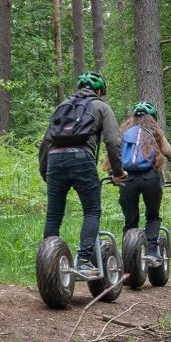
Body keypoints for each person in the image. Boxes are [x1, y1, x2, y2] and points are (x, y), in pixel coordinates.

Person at [39, 72, 127, 271]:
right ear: (98, 91)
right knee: (91, 210)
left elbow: (46, 142)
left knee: (53, 215)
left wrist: (46, 171)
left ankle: (48, 265)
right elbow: (113, 141)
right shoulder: (101, 107)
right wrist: (118, 171)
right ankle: (84, 260)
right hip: (81, 159)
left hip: (54, 159)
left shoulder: (62, 106)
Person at [116, 101, 171, 258]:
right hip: (151, 179)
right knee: (152, 216)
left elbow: (115, 155)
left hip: (127, 180)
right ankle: (153, 251)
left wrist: (116, 175)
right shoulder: (155, 133)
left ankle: (128, 256)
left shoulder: (126, 133)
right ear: (153, 118)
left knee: (130, 221)